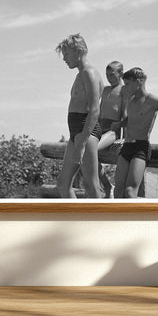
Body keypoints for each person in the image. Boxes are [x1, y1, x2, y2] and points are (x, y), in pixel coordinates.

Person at [113, 67, 158, 199]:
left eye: (127, 84)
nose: (125, 88)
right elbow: (132, 119)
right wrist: (120, 124)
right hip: (126, 146)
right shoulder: (131, 101)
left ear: (138, 82)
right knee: (118, 190)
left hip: (141, 147)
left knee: (130, 191)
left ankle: (133, 219)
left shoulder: (152, 99)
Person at [55, 33, 104, 199]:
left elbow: (95, 110)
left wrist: (82, 142)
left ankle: (100, 222)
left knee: (91, 185)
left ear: (77, 51)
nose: (64, 59)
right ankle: (77, 219)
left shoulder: (89, 73)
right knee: (63, 184)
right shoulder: (81, 74)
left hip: (86, 131)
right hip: (76, 132)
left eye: (66, 54)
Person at [98, 61, 127, 198]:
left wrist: (124, 138)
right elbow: (99, 111)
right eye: (107, 75)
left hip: (112, 131)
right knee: (83, 152)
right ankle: (107, 186)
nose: (109, 77)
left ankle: (109, 188)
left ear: (121, 73)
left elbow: (126, 115)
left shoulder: (124, 90)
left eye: (112, 74)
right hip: (99, 128)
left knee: (90, 150)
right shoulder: (105, 90)